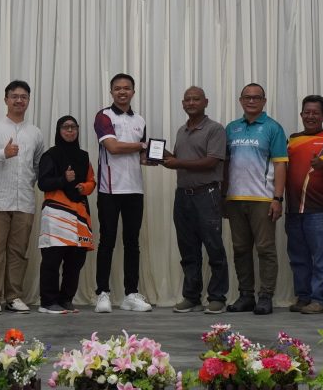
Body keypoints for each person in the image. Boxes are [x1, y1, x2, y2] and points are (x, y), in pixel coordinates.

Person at [0, 80, 46, 314]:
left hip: (23, 200)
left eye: (23, 97)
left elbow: (38, 165)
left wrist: (28, 184)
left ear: (28, 101)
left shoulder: (35, 133)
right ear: (6, 99)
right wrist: (2, 154)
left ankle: (13, 296)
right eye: (14, 96)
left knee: (18, 252)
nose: (19, 100)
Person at [162, 86, 228, 314]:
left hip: (207, 194)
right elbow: (178, 160)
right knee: (188, 249)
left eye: (196, 99)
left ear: (205, 102)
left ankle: (217, 297)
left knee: (214, 247)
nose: (191, 103)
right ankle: (191, 297)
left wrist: (177, 162)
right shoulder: (182, 131)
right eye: (187, 99)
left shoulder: (215, 129)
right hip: (183, 196)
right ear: (183, 104)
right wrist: (160, 156)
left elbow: (212, 162)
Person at [224, 83, 288, 315]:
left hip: (263, 199)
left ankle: (266, 297)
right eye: (247, 97)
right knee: (240, 249)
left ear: (264, 101)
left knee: (265, 249)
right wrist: (223, 196)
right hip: (235, 198)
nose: (251, 101)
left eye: (256, 97)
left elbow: (280, 165)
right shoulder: (231, 128)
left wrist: (277, 198)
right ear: (241, 100)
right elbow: (225, 164)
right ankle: (246, 296)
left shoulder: (273, 128)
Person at [93, 73, 153, 313]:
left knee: (132, 242)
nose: (122, 92)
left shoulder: (140, 119)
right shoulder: (104, 116)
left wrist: (155, 156)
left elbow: (142, 156)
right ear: (111, 92)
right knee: (107, 241)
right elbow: (113, 147)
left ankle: (131, 294)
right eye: (117, 88)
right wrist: (143, 146)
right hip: (109, 189)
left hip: (134, 189)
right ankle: (102, 293)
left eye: (126, 88)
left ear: (133, 92)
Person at [285, 95, 323, 315]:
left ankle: (320, 300)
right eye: (307, 112)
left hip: (319, 209)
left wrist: (322, 165)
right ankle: (304, 297)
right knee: (298, 257)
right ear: (301, 115)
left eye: (315, 113)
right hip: (293, 209)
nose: (311, 116)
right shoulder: (292, 139)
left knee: (320, 258)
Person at [36, 115, 96, 314]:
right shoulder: (50, 155)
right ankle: (48, 302)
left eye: (73, 127)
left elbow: (92, 181)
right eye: (65, 127)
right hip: (57, 213)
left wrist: (84, 187)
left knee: (76, 260)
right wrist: (64, 179)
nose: (70, 131)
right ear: (58, 130)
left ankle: (65, 299)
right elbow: (43, 183)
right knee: (52, 259)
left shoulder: (84, 156)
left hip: (79, 213)